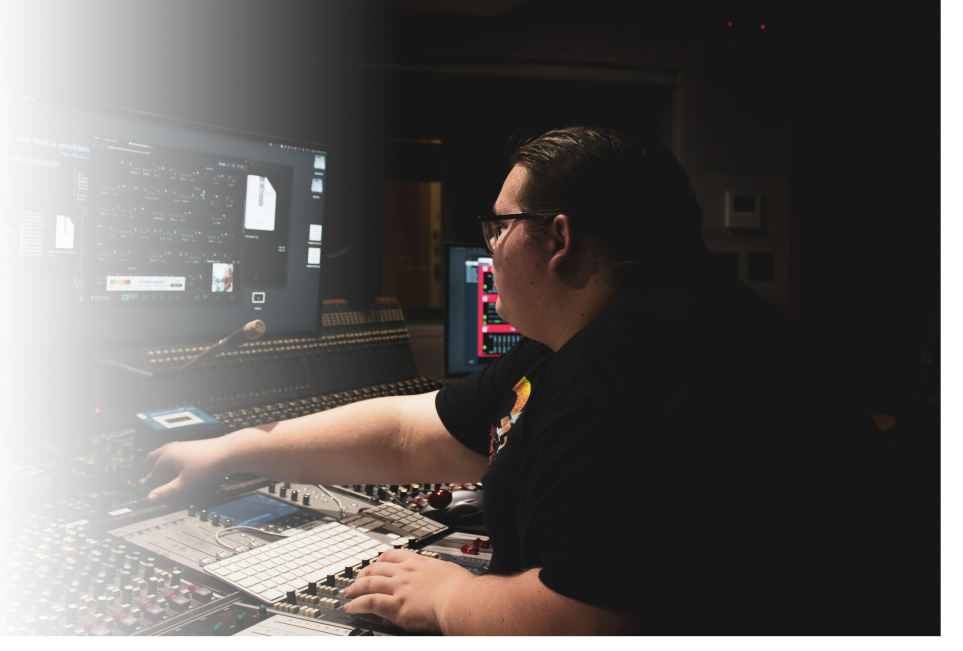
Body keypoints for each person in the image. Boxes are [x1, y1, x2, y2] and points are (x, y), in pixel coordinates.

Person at [138, 127, 897, 636]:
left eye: (499, 226)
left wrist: (448, 596)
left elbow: (588, 618)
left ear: (559, 238)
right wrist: (232, 448)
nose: (490, 246)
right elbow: (410, 433)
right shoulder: (587, 335)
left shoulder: (640, 358)